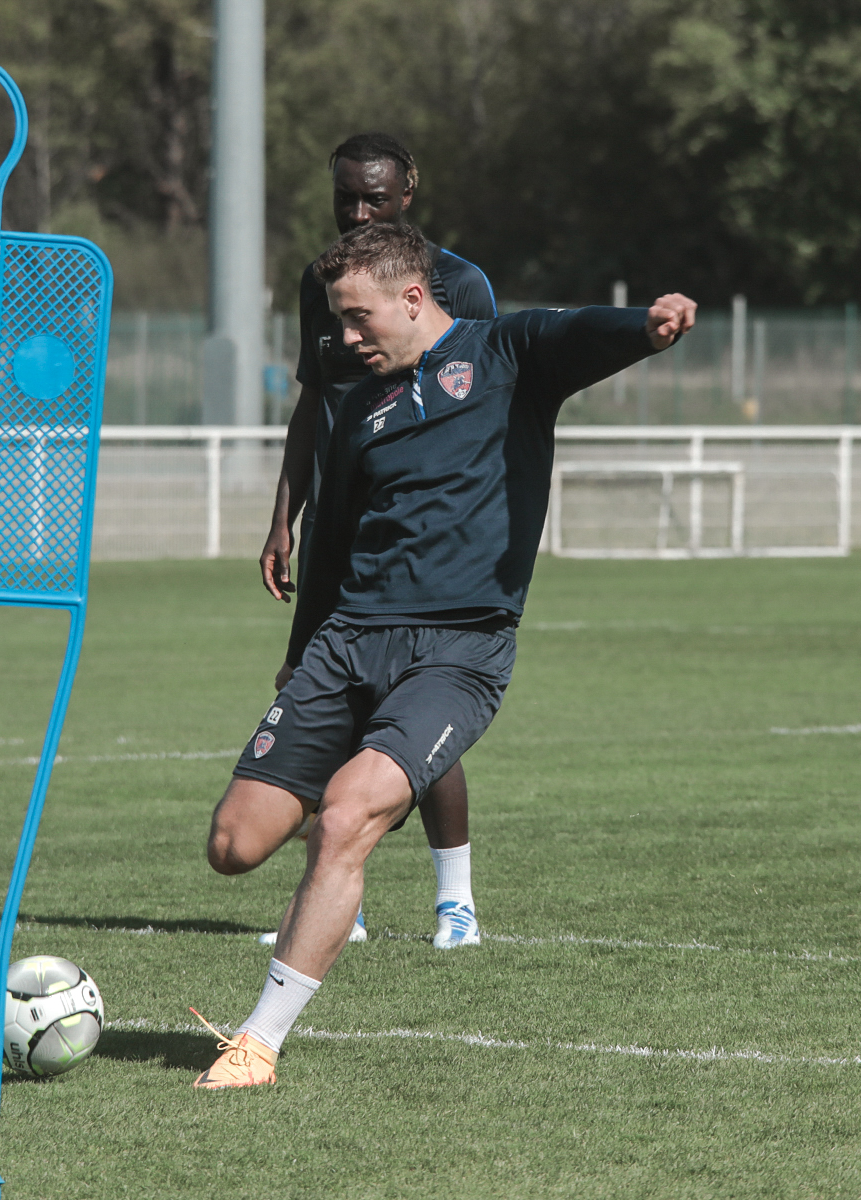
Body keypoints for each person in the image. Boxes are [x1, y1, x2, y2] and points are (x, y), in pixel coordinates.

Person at [194, 221, 696, 1088]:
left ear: (414, 299)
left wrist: (644, 328)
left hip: (458, 652)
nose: (343, 339)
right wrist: (299, 653)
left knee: (346, 818)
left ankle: (258, 1042)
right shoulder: (357, 400)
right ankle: (350, 830)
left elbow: (576, 329)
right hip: (347, 641)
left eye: (357, 319)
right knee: (234, 846)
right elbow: (334, 540)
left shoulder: (506, 352)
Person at [258, 133, 497, 950]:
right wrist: (285, 516)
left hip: (418, 535)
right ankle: (341, 902)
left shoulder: (462, 285)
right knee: (320, 693)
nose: (358, 213)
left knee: (416, 706)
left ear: (408, 194)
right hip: (334, 526)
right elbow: (310, 405)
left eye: (375, 199)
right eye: (346, 200)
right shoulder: (321, 282)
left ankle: (455, 902)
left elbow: (480, 401)